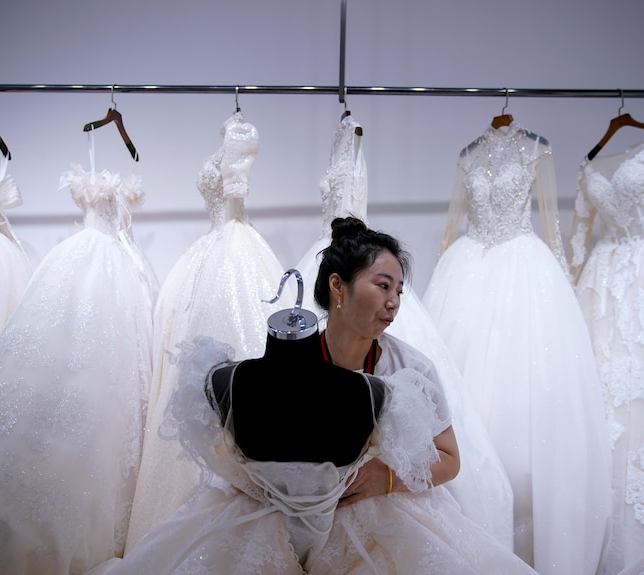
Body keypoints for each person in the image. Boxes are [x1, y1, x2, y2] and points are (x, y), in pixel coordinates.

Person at [86, 217, 534, 575]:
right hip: (279, 517)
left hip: (376, 513)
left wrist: (387, 477)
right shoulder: (291, 360)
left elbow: (450, 459)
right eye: (382, 285)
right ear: (338, 286)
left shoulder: (410, 370)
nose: (394, 301)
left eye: (399, 289)